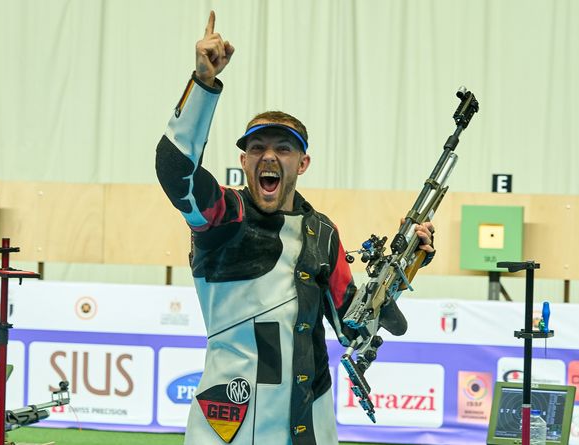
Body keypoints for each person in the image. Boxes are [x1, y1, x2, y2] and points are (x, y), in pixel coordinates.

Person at [156, 11, 435, 445]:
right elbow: (177, 172)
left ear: (302, 163)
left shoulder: (322, 232)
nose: (269, 156)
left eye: (283, 149)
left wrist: (406, 263)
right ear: (244, 161)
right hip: (234, 415)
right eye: (257, 148)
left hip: (311, 417)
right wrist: (204, 84)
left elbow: (354, 330)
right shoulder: (225, 217)